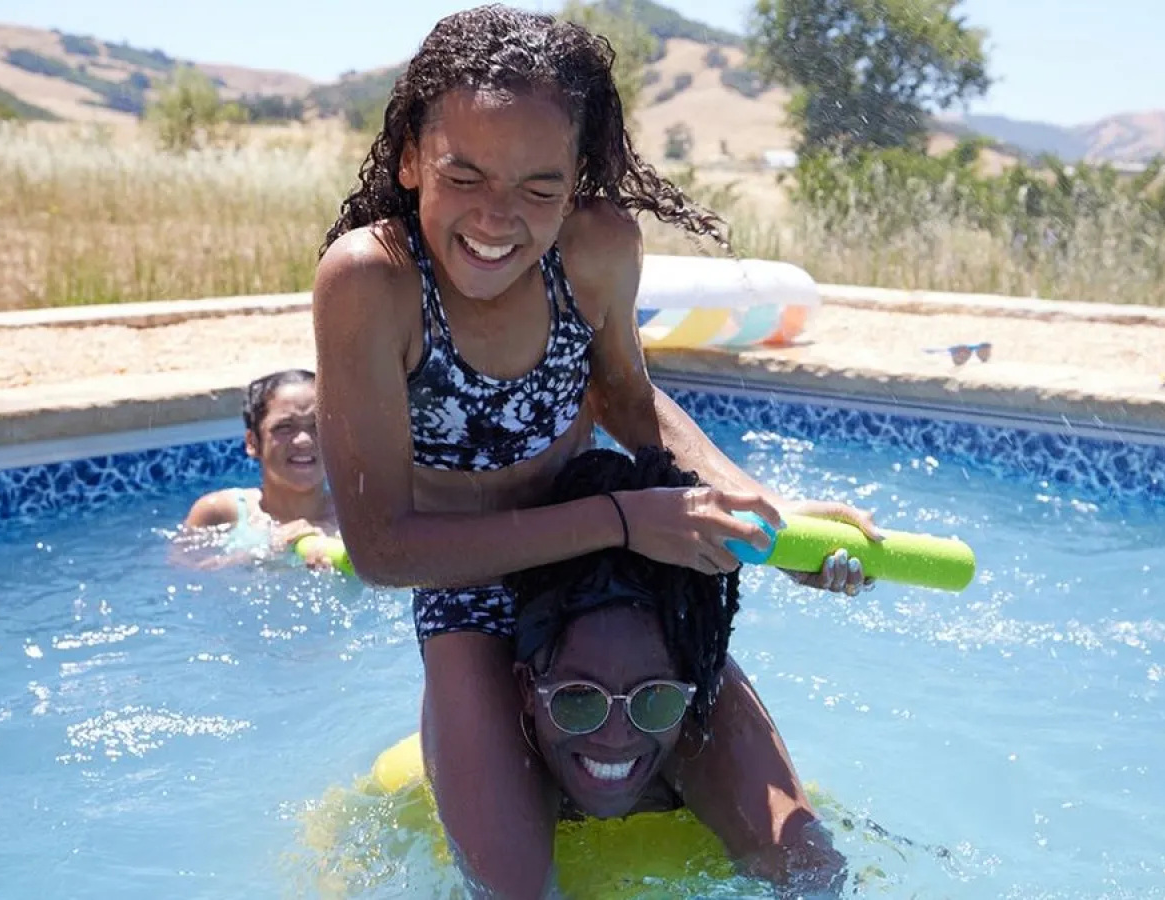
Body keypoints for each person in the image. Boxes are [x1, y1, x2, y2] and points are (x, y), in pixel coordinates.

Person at [310, 5, 882, 896]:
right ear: (412, 157)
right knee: (515, 892)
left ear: (579, 180)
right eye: (464, 174)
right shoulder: (371, 282)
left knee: (808, 870)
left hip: (612, 573)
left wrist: (765, 517)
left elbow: (626, 395)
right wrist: (624, 518)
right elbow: (384, 550)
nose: (499, 217)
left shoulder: (599, 248)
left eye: (541, 188)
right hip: (469, 590)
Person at [503, 446, 846, 894]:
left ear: (692, 690)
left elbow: (813, 878)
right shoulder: (498, 736)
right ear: (528, 686)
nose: (616, 737)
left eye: (653, 699)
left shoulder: (699, 721)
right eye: (581, 698)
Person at [179, 369, 338, 566]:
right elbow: (186, 573)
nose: (304, 441)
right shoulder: (220, 513)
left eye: (317, 425)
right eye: (285, 427)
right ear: (252, 442)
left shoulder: (357, 521)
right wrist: (266, 551)